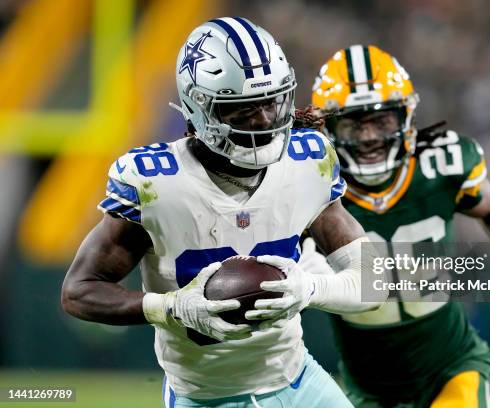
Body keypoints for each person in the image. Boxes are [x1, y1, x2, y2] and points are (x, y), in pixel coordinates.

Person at [61, 19, 386, 408]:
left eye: (271, 101)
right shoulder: (156, 184)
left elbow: (374, 281)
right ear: (199, 109)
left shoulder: (307, 162)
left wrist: (310, 288)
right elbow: (79, 291)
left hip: (299, 381)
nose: (264, 120)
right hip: (205, 396)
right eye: (244, 108)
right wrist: (173, 308)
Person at [301, 45, 490, 408]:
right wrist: (305, 278)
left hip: (450, 364)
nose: (369, 137)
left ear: (405, 117)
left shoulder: (441, 163)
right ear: (329, 126)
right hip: (368, 386)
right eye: (354, 123)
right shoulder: (309, 183)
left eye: (381, 121)